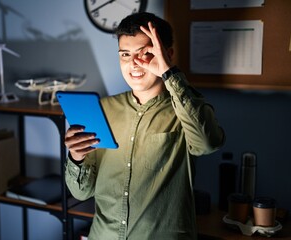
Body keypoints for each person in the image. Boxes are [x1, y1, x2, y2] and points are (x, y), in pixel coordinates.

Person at [64, 12, 225, 240]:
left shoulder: (186, 111)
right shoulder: (102, 109)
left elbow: (209, 144)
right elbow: (81, 191)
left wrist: (169, 73)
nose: (134, 63)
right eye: (125, 54)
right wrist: (75, 157)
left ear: (167, 55)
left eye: (145, 54)